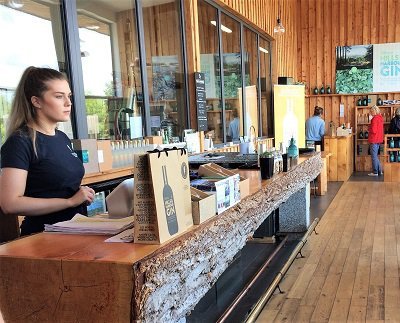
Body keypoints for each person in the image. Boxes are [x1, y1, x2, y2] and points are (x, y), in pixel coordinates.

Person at [0, 66, 95, 236]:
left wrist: (82, 194)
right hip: (43, 239)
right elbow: (9, 203)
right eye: (59, 96)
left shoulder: (62, 138)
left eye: (69, 96)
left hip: (77, 231)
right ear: (36, 101)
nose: (68, 103)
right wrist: (69, 202)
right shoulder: (20, 142)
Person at [368, 105, 384, 176]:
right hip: (379, 139)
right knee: (376, 156)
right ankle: (379, 171)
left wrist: (369, 128)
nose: (371, 113)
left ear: (374, 111)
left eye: (371, 111)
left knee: (374, 156)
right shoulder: (380, 118)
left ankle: (375, 172)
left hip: (374, 139)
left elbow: (374, 130)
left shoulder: (374, 119)